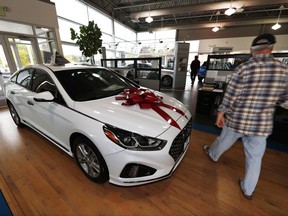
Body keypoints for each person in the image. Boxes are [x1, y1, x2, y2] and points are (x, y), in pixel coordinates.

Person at [203, 33, 288, 200]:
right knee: (255, 158)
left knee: (224, 141)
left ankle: (213, 155)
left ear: (252, 50)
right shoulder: (284, 70)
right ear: (272, 49)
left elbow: (231, 95)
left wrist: (221, 112)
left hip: (237, 120)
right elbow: (285, 99)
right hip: (261, 125)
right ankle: (248, 190)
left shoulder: (245, 68)